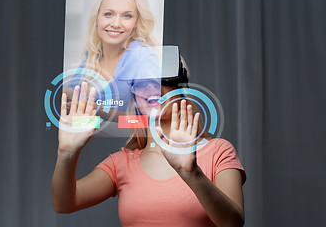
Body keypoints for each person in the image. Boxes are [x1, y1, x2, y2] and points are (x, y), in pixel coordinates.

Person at [52, 70, 247, 226]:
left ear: (181, 89)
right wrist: (66, 154)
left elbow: (233, 222)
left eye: (164, 78)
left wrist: (191, 173)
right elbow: (64, 203)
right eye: (142, 82)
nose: (153, 88)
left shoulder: (218, 151)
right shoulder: (121, 162)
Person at [65, 0, 161, 113]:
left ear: (137, 21)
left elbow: (148, 120)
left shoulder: (142, 58)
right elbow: (74, 90)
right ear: (97, 18)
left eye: (127, 16)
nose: (116, 24)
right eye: (108, 14)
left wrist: (98, 110)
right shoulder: (94, 52)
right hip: (82, 132)